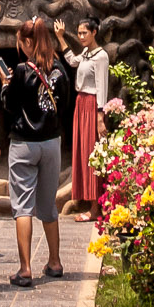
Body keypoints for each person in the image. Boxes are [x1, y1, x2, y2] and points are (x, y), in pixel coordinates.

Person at [0, 17, 66, 285]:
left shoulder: (21, 70)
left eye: (20, 43)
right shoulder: (59, 68)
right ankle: (55, 262)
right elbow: (65, 105)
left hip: (24, 143)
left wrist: (5, 84)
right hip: (51, 142)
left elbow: (10, 106)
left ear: (28, 42)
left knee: (23, 207)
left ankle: (25, 269)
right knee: (49, 205)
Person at [55, 16, 109, 220]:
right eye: (79, 33)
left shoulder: (101, 56)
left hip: (93, 106)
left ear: (95, 32)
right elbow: (71, 60)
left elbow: (102, 86)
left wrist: (99, 116)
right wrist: (60, 38)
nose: (81, 36)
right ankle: (89, 202)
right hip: (81, 105)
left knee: (93, 154)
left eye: (84, 33)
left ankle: (96, 208)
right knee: (84, 153)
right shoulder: (86, 53)